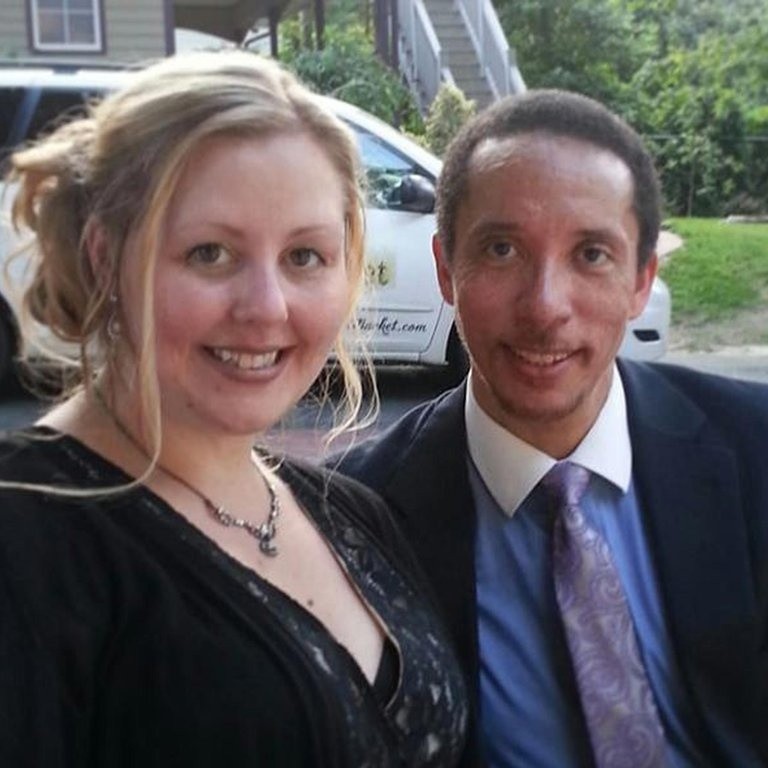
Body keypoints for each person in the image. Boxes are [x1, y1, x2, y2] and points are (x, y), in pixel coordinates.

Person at [0, 51, 468, 767]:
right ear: (104, 258)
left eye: (304, 257)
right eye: (210, 253)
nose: (266, 307)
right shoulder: (27, 532)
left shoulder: (350, 512)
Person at [336, 89, 768, 767]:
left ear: (640, 281)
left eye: (591, 254)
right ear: (447, 270)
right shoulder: (357, 517)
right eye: (502, 249)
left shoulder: (754, 447)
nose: (544, 308)